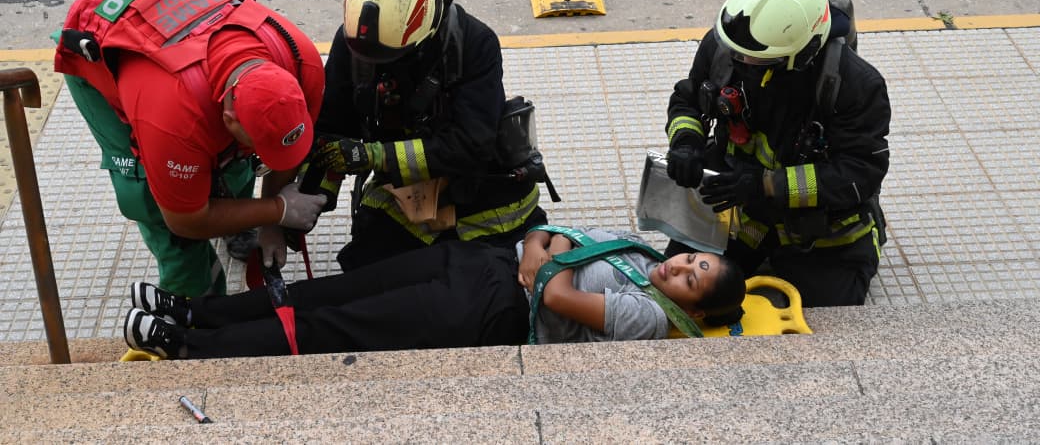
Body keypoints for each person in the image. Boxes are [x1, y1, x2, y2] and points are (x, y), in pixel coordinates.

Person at [54, 0, 328, 298]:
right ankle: (190, 302)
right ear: (229, 117)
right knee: (157, 201)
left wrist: (271, 223)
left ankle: (236, 221)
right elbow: (184, 219)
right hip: (104, 44)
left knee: (233, 161)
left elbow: (284, 147)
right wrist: (277, 209)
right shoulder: (172, 121)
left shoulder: (302, 60)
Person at [122, 226, 746, 359]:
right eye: (691, 260)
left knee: (337, 325)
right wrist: (539, 256)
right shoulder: (642, 250)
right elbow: (546, 234)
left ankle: (192, 347)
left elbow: (557, 298)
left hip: (488, 310)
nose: (680, 269)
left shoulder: (655, 322)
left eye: (693, 280)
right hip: (483, 265)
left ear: (695, 308)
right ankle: (198, 310)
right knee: (327, 292)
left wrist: (543, 264)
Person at [303, 0, 550, 271]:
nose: (377, 66)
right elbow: (332, 126)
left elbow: (470, 145)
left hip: (486, 199)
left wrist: (374, 156)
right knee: (365, 272)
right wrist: (311, 197)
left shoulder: (475, 44)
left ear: (427, 29)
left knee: (490, 283)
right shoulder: (357, 46)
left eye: (392, 58)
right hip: (407, 194)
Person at [664, 0, 890, 307]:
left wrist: (767, 184)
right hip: (736, 209)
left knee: (818, 321)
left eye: (755, 61)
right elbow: (688, 98)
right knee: (677, 291)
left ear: (803, 54)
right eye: (737, 54)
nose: (739, 63)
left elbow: (860, 172)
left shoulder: (855, 86)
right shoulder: (727, 44)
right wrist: (686, 143)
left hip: (817, 235)